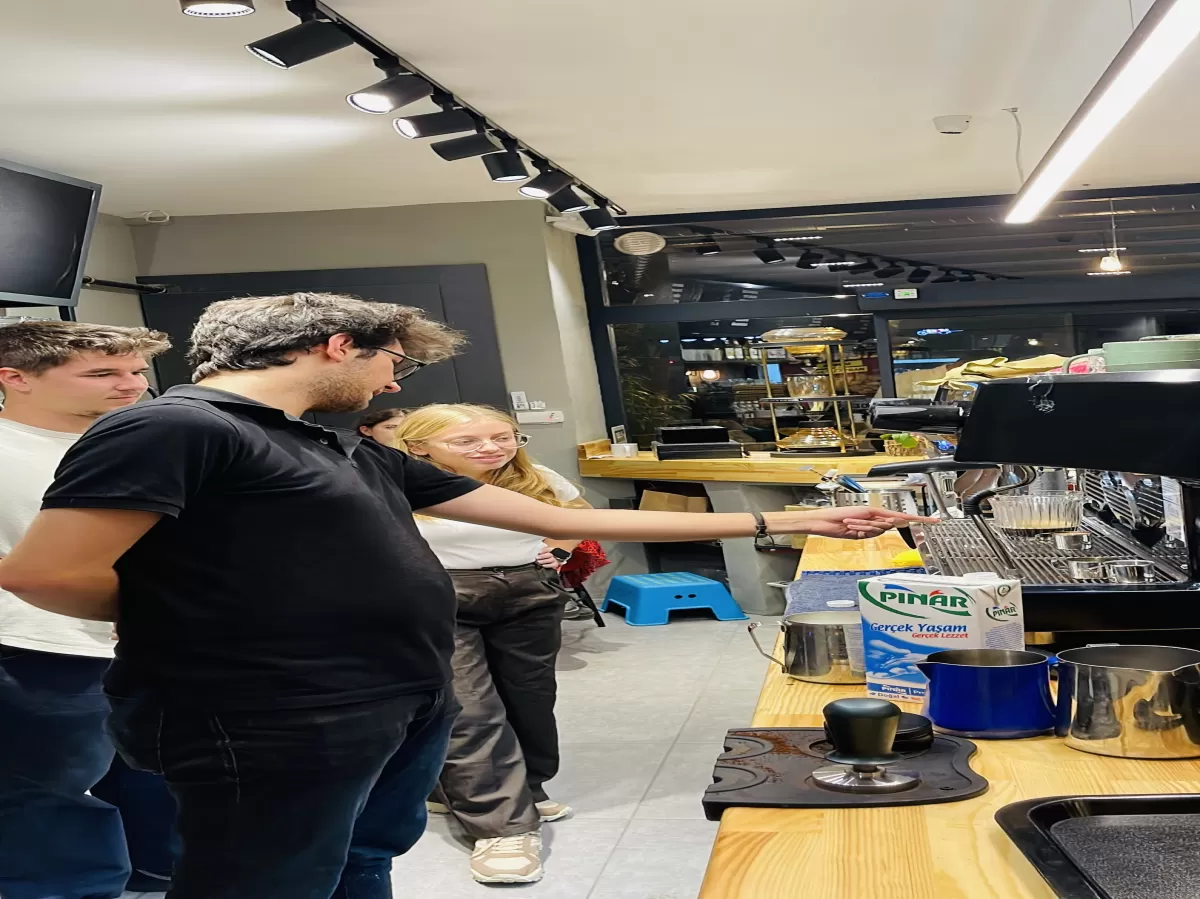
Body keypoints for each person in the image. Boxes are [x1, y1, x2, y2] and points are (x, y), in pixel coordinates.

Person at [0, 292, 928, 899]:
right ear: (335, 344)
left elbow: (557, 525)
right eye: (388, 362)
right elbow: (45, 571)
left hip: (395, 699)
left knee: (363, 860)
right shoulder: (175, 427)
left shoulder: (338, 440)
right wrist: (240, 624)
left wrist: (785, 525)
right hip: (272, 711)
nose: (396, 381)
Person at [0, 320, 175, 899]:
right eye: (103, 373)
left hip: (154, 643)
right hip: (41, 648)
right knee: (48, 799)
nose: (129, 386)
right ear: (15, 378)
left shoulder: (152, 443)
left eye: (135, 371)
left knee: (156, 785)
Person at [394, 404, 585, 884]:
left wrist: (560, 548)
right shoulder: (398, 481)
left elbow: (577, 514)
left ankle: (525, 786)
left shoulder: (534, 475)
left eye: (504, 437)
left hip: (528, 592)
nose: (492, 448)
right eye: (469, 441)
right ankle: (503, 825)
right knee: (468, 707)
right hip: (441, 596)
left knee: (531, 698)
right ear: (419, 446)